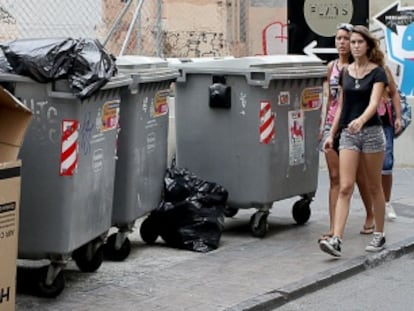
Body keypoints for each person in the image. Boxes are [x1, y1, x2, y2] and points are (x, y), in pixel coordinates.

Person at [319, 25, 388, 257]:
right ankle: (336, 239)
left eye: (359, 42)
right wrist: (331, 133)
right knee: (345, 185)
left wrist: (361, 120)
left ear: (368, 45)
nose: (354, 45)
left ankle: (379, 233)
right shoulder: (346, 71)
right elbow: (340, 105)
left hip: (371, 133)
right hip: (348, 133)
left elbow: (373, 103)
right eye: (353, 42)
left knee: (373, 186)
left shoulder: (378, 72)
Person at [377, 67, 402, 220]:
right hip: (364, 123)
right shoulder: (354, 69)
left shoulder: (383, 69)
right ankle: (373, 206)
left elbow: (394, 93)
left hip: (384, 122)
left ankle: (386, 202)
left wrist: (398, 117)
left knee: (386, 164)